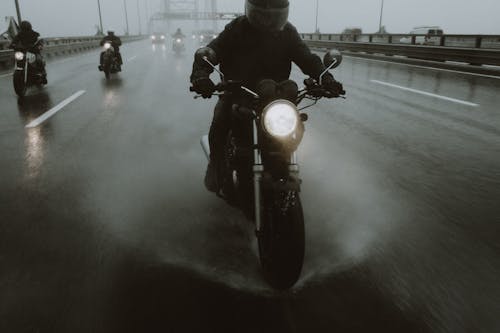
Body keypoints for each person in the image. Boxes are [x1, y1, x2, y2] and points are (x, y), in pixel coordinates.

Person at [190, 0, 344, 193]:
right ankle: (216, 165)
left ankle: (284, 161)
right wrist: (201, 77)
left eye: (274, 15)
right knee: (221, 119)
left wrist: (326, 78)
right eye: (263, 14)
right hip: (238, 92)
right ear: (252, 10)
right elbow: (212, 51)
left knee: (294, 123)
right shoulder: (235, 29)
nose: (268, 20)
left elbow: (307, 59)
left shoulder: (287, 32)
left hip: (274, 98)